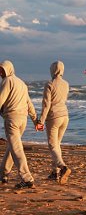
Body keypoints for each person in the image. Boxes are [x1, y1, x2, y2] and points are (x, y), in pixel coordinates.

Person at [0, 60, 38, 189]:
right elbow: (29, 104)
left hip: (12, 119)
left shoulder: (7, 81)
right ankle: (3, 174)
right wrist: (35, 120)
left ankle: (27, 178)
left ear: (8, 69)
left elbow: (1, 99)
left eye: (2, 70)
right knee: (12, 147)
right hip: (23, 120)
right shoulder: (22, 83)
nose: (0, 72)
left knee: (16, 149)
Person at [36, 60, 71, 184]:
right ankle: (54, 172)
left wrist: (41, 121)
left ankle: (63, 167)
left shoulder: (49, 84)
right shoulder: (66, 84)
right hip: (65, 116)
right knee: (57, 145)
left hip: (54, 117)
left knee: (52, 145)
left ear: (52, 70)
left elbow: (46, 104)